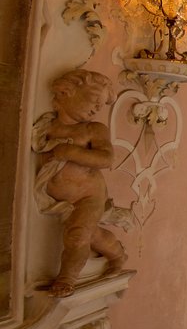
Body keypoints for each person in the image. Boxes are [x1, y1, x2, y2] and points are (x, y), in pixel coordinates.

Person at [31, 69, 125, 298]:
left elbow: (106, 159)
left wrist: (70, 152)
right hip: (53, 197)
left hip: (89, 196)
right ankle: (117, 254)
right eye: (94, 100)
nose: (96, 108)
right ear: (67, 92)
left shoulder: (92, 130)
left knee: (78, 234)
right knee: (91, 235)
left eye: (101, 105)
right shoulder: (46, 126)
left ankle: (66, 279)